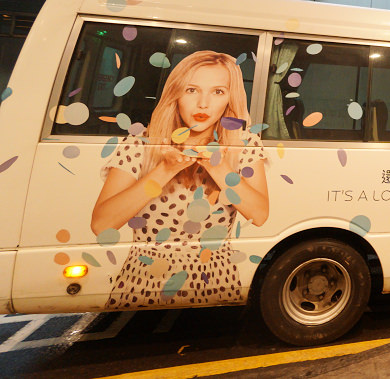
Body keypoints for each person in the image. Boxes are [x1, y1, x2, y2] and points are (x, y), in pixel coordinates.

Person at [91, 50, 269, 309]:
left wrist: (217, 167)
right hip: (145, 285)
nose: (203, 104)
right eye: (192, 90)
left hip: (217, 284)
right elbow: (102, 224)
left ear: (230, 98)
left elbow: (260, 214)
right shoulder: (142, 142)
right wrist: (164, 169)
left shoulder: (244, 144)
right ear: (176, 93)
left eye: (218, 91)